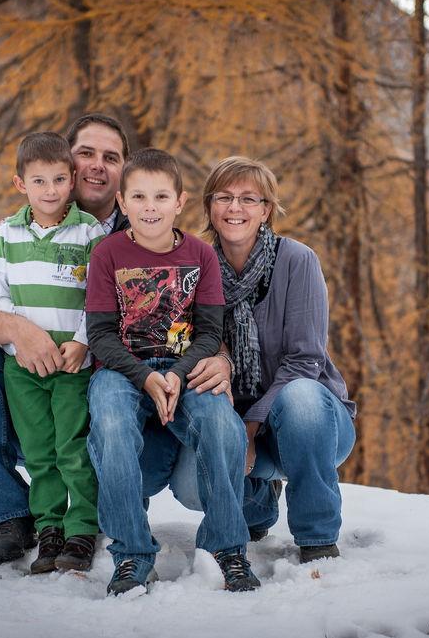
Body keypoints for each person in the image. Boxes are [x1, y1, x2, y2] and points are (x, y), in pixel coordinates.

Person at [0, 112, 233, 565]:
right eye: (85, 153)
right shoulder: (19, 228)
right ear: (65, 166)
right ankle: (12, 514)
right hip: (41, 381)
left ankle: (106, 516)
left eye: (111, 158)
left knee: (137, 417)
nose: (96, 165)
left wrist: (221, 354)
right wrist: (19, 331)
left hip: (128, 394)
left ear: (127, 175)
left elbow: (196, 311)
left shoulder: (145, 229)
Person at [85, 148, 260, 596]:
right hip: (122, 373)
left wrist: (179, 374)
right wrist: (143, 377)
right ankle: (131, 553)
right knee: (109, 421)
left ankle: (228, 547)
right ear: (122, 203)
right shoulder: (108, 254)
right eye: (139, 197)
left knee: (221, 422)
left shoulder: (201, 256)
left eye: (160, 196)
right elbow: (101, 335)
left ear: (179, 202)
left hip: (186, 368)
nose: (149, 207)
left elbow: (208, 332)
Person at [169, 156, 357, 564]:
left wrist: (249, 433)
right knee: (188, 485)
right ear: (209, 207)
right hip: (229, 416)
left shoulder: (297, 260)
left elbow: (305, 360)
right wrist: (231, 432)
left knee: (302, 398)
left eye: (248, 199)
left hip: (310, 422)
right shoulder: (194, 267)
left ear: (266, 209)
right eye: (224, 197)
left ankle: (317, 535)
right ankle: (256, 504)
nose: (235, 208)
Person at [0, 132, 104, 573]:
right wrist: (18, 342)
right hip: (24, 367)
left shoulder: (88, 232)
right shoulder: (7, 233)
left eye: (59, 179)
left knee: (72, 448)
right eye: (39, 182)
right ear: (21, 184)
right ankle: (50, 526)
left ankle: (81, 529)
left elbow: (97, 298)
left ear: (72, 180)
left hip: (72, 365)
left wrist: (81, 341)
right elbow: (0, 297)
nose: (50, 190)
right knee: (39, 451)